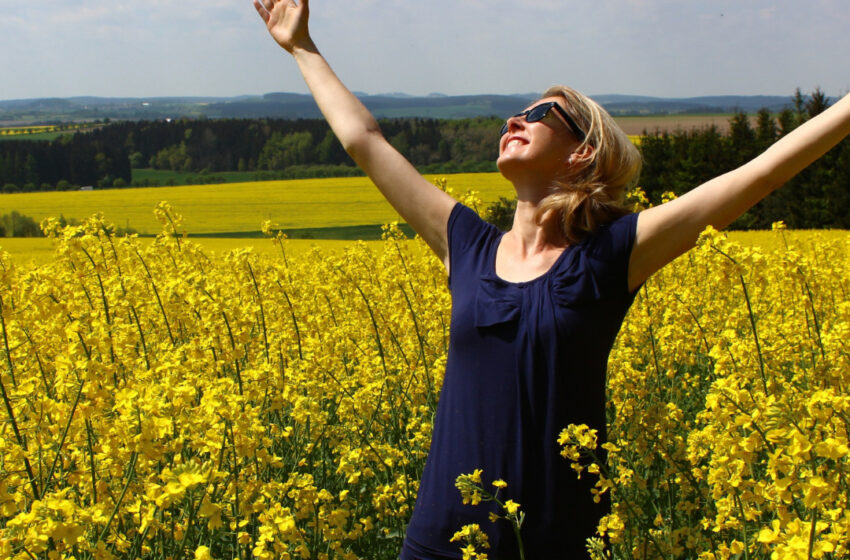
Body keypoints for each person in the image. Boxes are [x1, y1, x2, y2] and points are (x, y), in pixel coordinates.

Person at [253, 1, 850, 558]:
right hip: (440, 540)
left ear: (582, 154)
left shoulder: (612, 255)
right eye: (519, 111)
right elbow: (365, 141)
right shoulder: (465, 244)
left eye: (543, 114)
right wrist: (301, 46)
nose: (517, 117)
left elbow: (761, 174)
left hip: (559, 545)